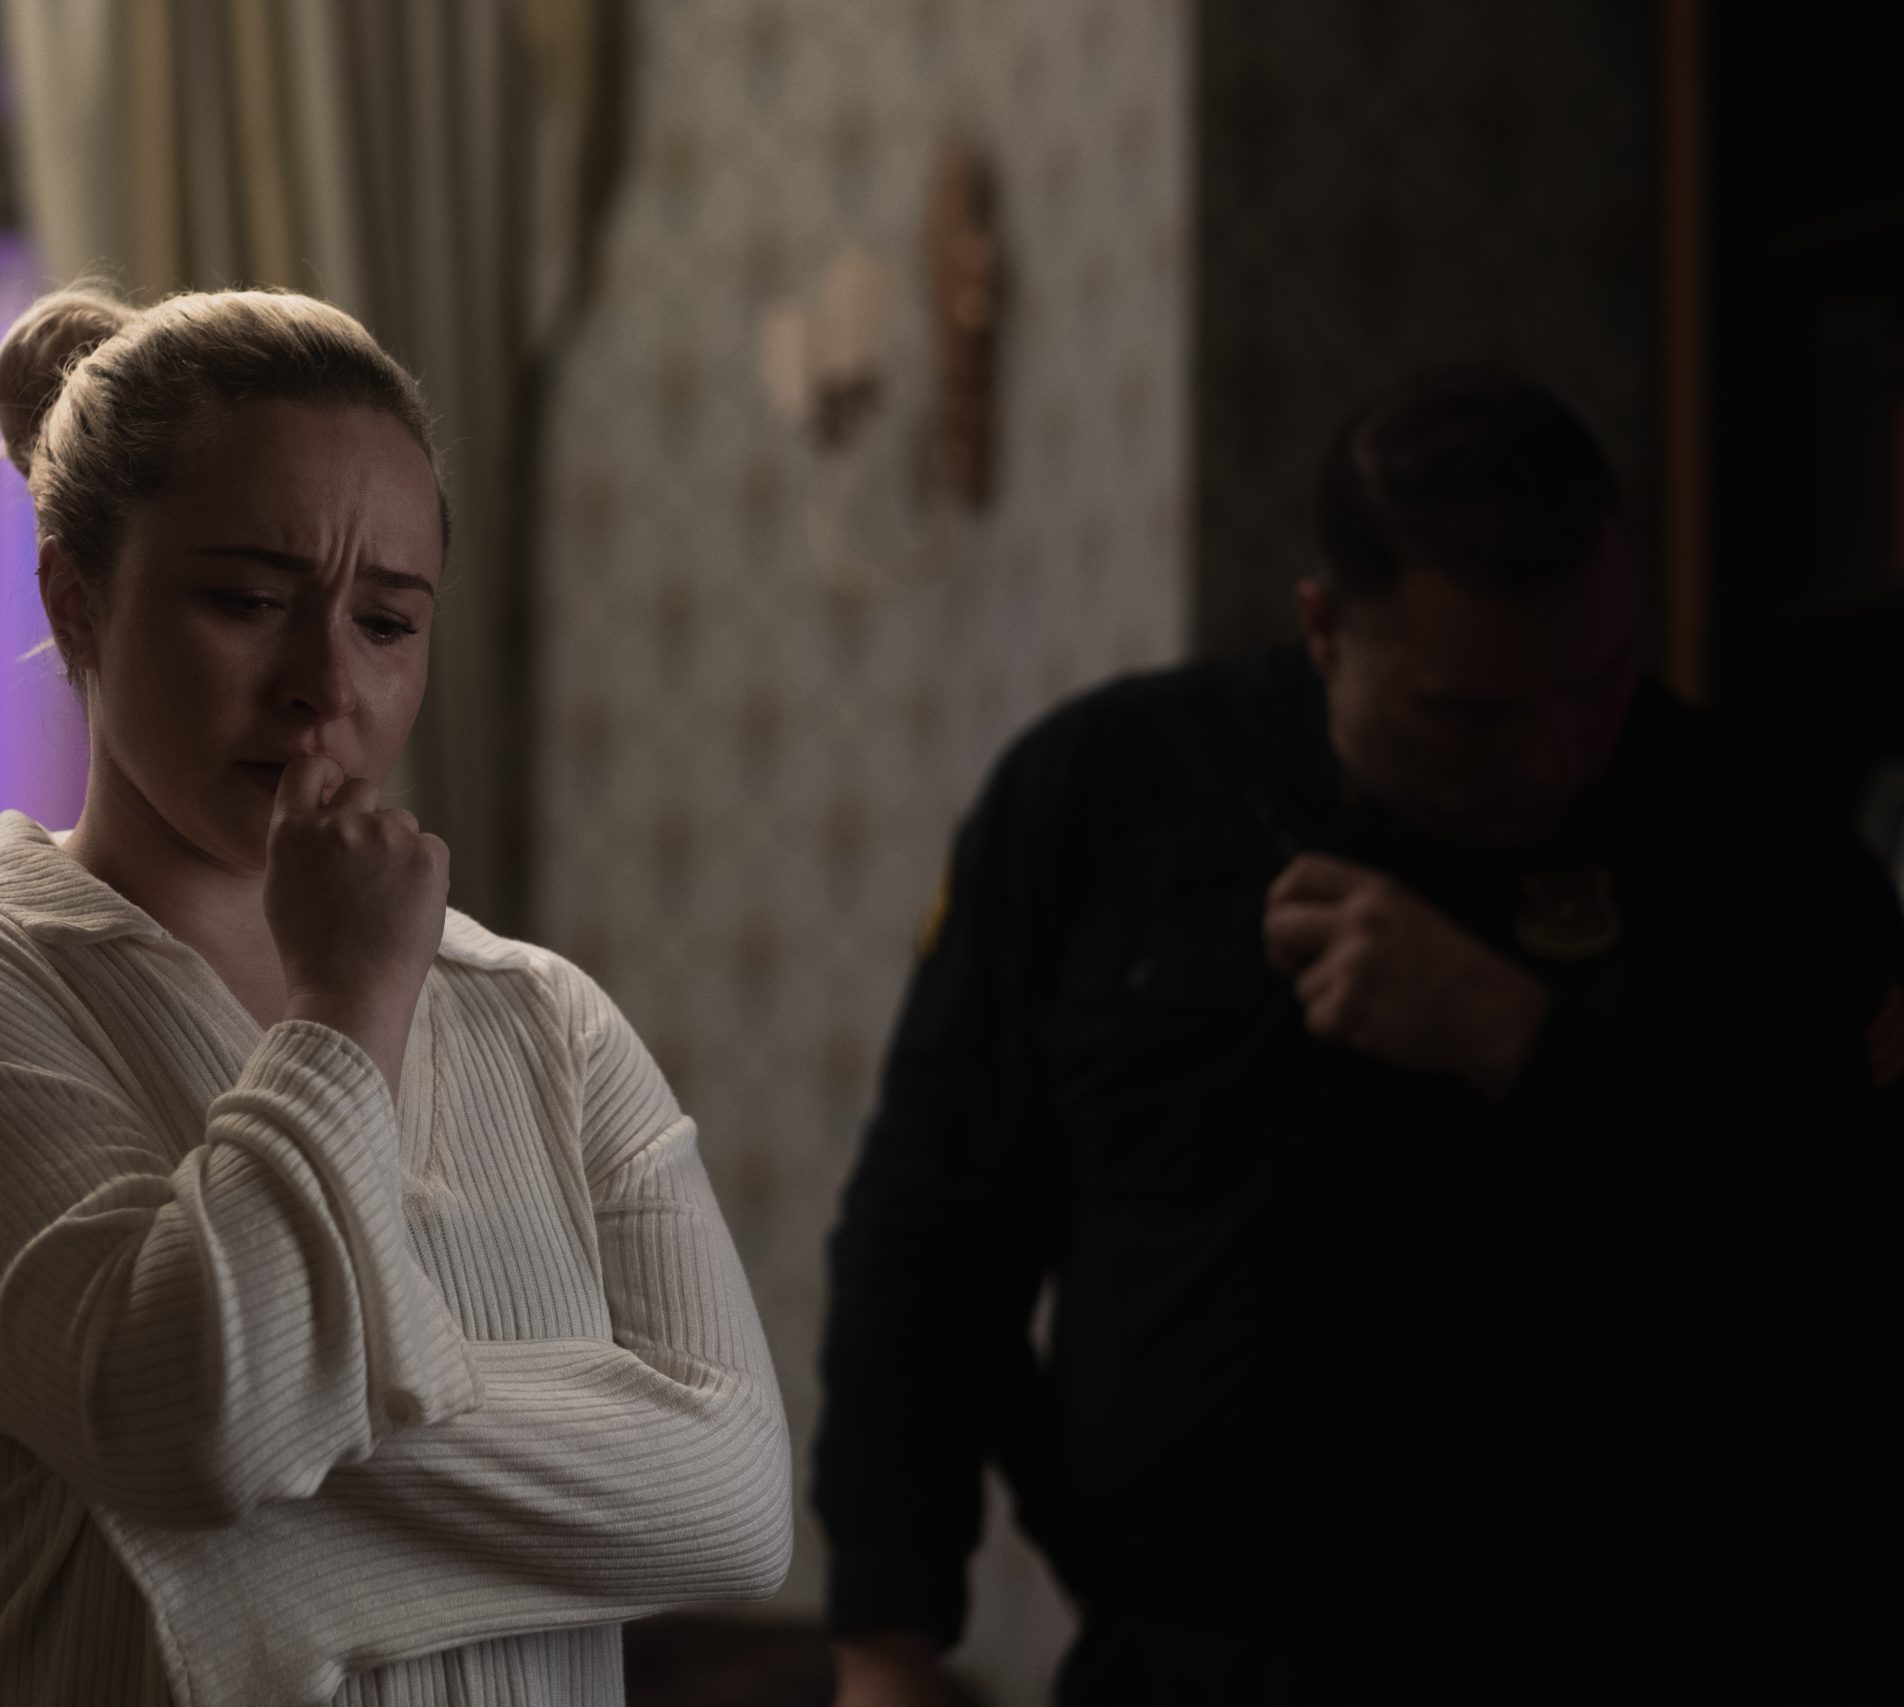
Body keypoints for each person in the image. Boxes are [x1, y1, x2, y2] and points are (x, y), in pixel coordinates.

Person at [813, 367, 1901, 1706]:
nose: (1559, 754)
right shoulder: (1103, 797)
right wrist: (885, 1637)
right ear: (1326, 629)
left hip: (1630, 1643)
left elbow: (1845, 1269)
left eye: (1600, 683)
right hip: (1188, 1653)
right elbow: (930, 1235)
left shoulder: (1761, 854)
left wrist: (1529, 1042)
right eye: (1479, 715)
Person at [0, 286, 790, 1706]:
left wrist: (277, 1470)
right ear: (76, 595)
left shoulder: (545, 1018)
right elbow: (202, 1423)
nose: (325, 685)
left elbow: (735, 1506)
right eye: (250, 601)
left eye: (387, 619)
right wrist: (343, 1003)